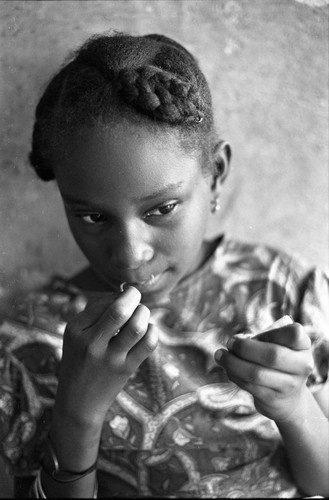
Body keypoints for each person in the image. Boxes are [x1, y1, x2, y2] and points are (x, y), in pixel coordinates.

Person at [0, 31, 328, 499]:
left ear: (216, 175)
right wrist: (76, 416)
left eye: (161, 209)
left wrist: (294, 405)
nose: (131, 254)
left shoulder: (280, 290)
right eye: (93, 217)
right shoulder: (31, 341)